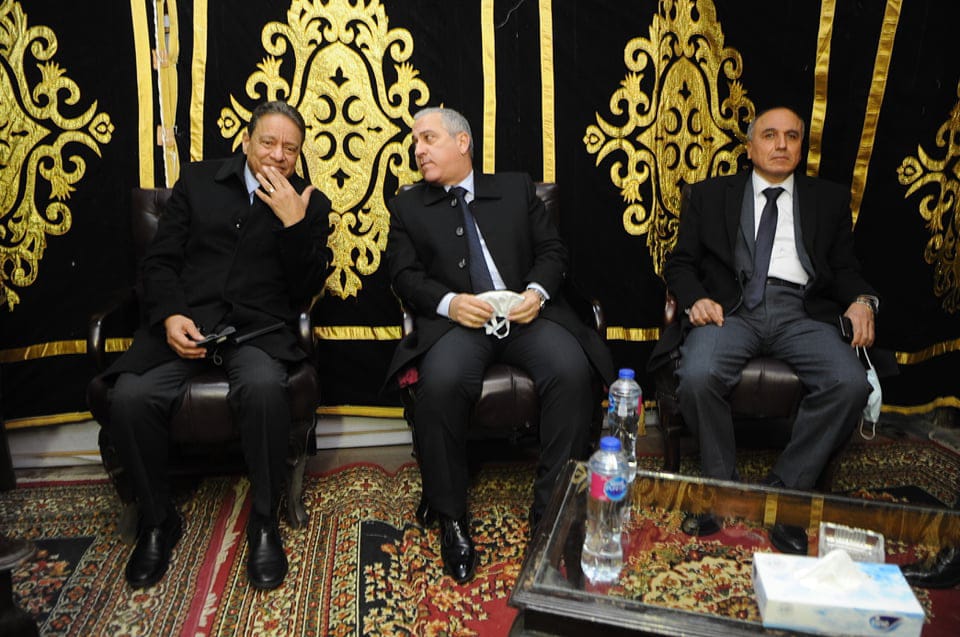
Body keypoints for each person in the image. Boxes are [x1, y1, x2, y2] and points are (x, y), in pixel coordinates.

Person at [102, 101, 331, 589]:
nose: (279, 155)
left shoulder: (310, 202)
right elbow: (159, 262)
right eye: (268, 142)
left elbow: (305, 289)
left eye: (291, 149)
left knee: (265, 390)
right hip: (188, 324)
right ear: (246, 142)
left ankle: (264, 522)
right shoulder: (198, 182)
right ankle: (158, 520)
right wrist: (170, 315)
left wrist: (294, 224)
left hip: (256, 331)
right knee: (129, 398)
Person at [385, 106, 614, 583]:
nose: (418, 150)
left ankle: (551, 512)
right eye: (415, 142)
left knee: (571, 372)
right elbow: (403, 275)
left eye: (427, 139)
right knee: (440, 384)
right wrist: (449, 303)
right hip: (458, 327)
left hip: (526, 317)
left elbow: (553, 251)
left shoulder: (515, 188)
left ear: (462, 142)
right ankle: (452, 519)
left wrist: (536, 293)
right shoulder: (409, 206)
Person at [648, 106, 881, 555]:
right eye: (770, 135)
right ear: (750, 147)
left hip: (802, 312)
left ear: (801, 147)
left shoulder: (829, 200)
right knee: (697, 376)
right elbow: (680, 264)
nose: (781, 145)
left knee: (850, 383)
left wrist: (862, 301)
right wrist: (696, 300)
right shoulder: (710, 195)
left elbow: (846, 270)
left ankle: (786, 493)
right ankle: (723, 489)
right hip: (732, 310)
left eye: (791, 137)